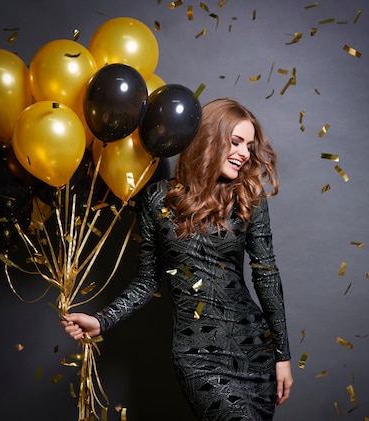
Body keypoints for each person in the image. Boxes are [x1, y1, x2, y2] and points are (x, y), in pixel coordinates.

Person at [62, 98, 293, 420]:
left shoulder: (247, 198)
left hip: (253, 347)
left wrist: (282, 355)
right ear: (210, 139)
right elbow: (147, 279)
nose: (244, 153)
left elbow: (266, 276)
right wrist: (102, 320)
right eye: (236, 142)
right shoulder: (156, 199)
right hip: (196, 355)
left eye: (249, 146)